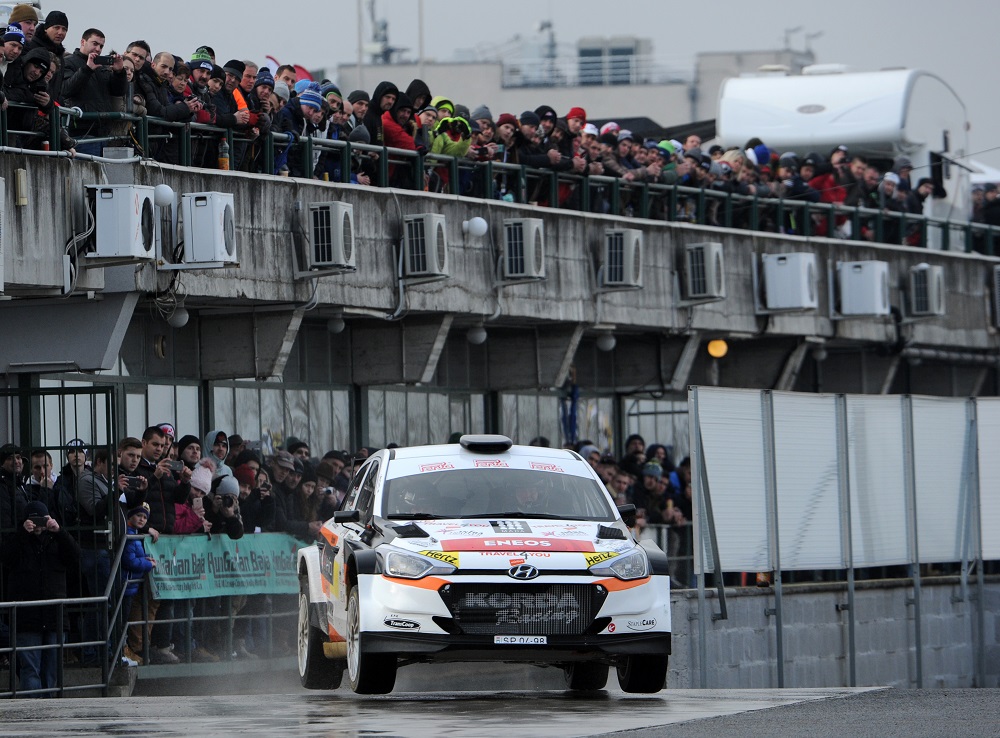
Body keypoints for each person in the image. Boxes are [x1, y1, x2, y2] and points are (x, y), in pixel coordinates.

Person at [0, 500, 80, 696]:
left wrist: (59, 532)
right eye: (32, 520)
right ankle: (32, 709)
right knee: (30, 668)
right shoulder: (18, 540)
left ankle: (50, 706)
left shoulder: (56, 540)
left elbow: (76, 557)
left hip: (54, 615)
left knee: (52, 669)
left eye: (41, 519)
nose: (37, 524)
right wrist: (22, 534)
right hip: (27, 617)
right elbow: (7, 558)